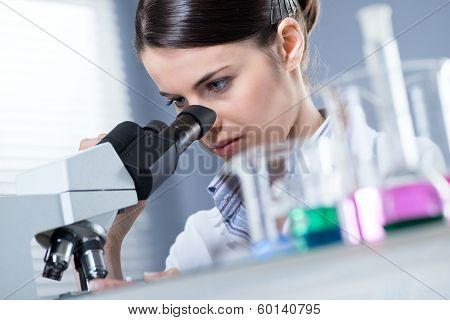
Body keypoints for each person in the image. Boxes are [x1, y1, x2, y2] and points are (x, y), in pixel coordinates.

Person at [77, 0, 445, 291]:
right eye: (179, 102)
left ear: (288, 45)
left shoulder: (407, 173)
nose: (203, 124)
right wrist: (106, 231)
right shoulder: (201, 241)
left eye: (218, 84)